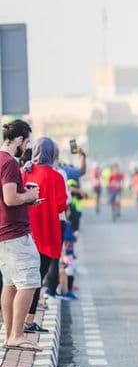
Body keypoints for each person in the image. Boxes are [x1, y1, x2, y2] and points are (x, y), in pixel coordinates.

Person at [0, 120, 43, 352]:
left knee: (10, 284)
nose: (26, 147)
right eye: (26, 142)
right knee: (28, 281)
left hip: (4, 233)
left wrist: (26, 197)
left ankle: (9, 335)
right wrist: (28, 195)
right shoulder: (8, 163)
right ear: (18, 140)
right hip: (14, 233)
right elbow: (10, 198)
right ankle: (16, 334)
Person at [22, 138, 67, 331]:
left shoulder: (24, 172)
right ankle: (28, 320)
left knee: (21, 279)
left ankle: (15, 320)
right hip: (47, 233)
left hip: (25, 231)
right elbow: (61, 206)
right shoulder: (56, 177)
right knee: (36, 279)